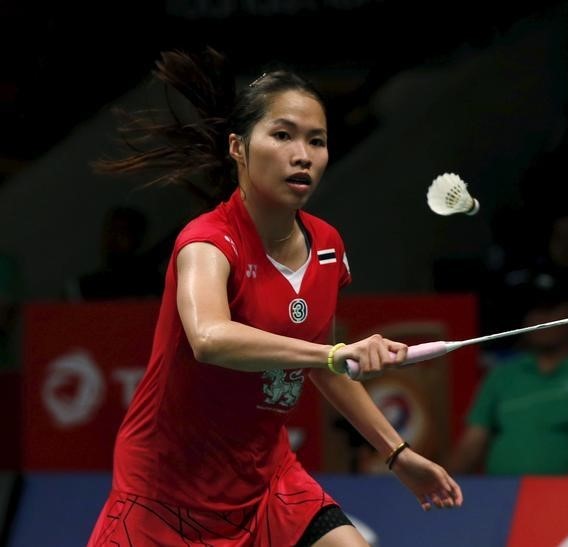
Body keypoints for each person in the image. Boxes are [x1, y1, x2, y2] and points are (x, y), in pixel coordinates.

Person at [87, 48, 462, 547]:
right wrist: (331, 354)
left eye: (317, 141)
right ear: (238, 147)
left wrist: (398, 454)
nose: (302, 154)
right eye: (282, 135)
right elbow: (209, 338)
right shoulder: (207, 242)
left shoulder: (327, 247)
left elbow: (329, 370)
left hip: (265, 482)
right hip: (165, 496)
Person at [450, 285, 568, 476]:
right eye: (534, 311)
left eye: (550, 310)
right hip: (501, 497)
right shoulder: (500, 375)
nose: (540, 319)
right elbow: (471, 445)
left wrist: (563, 495)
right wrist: (434, 487)